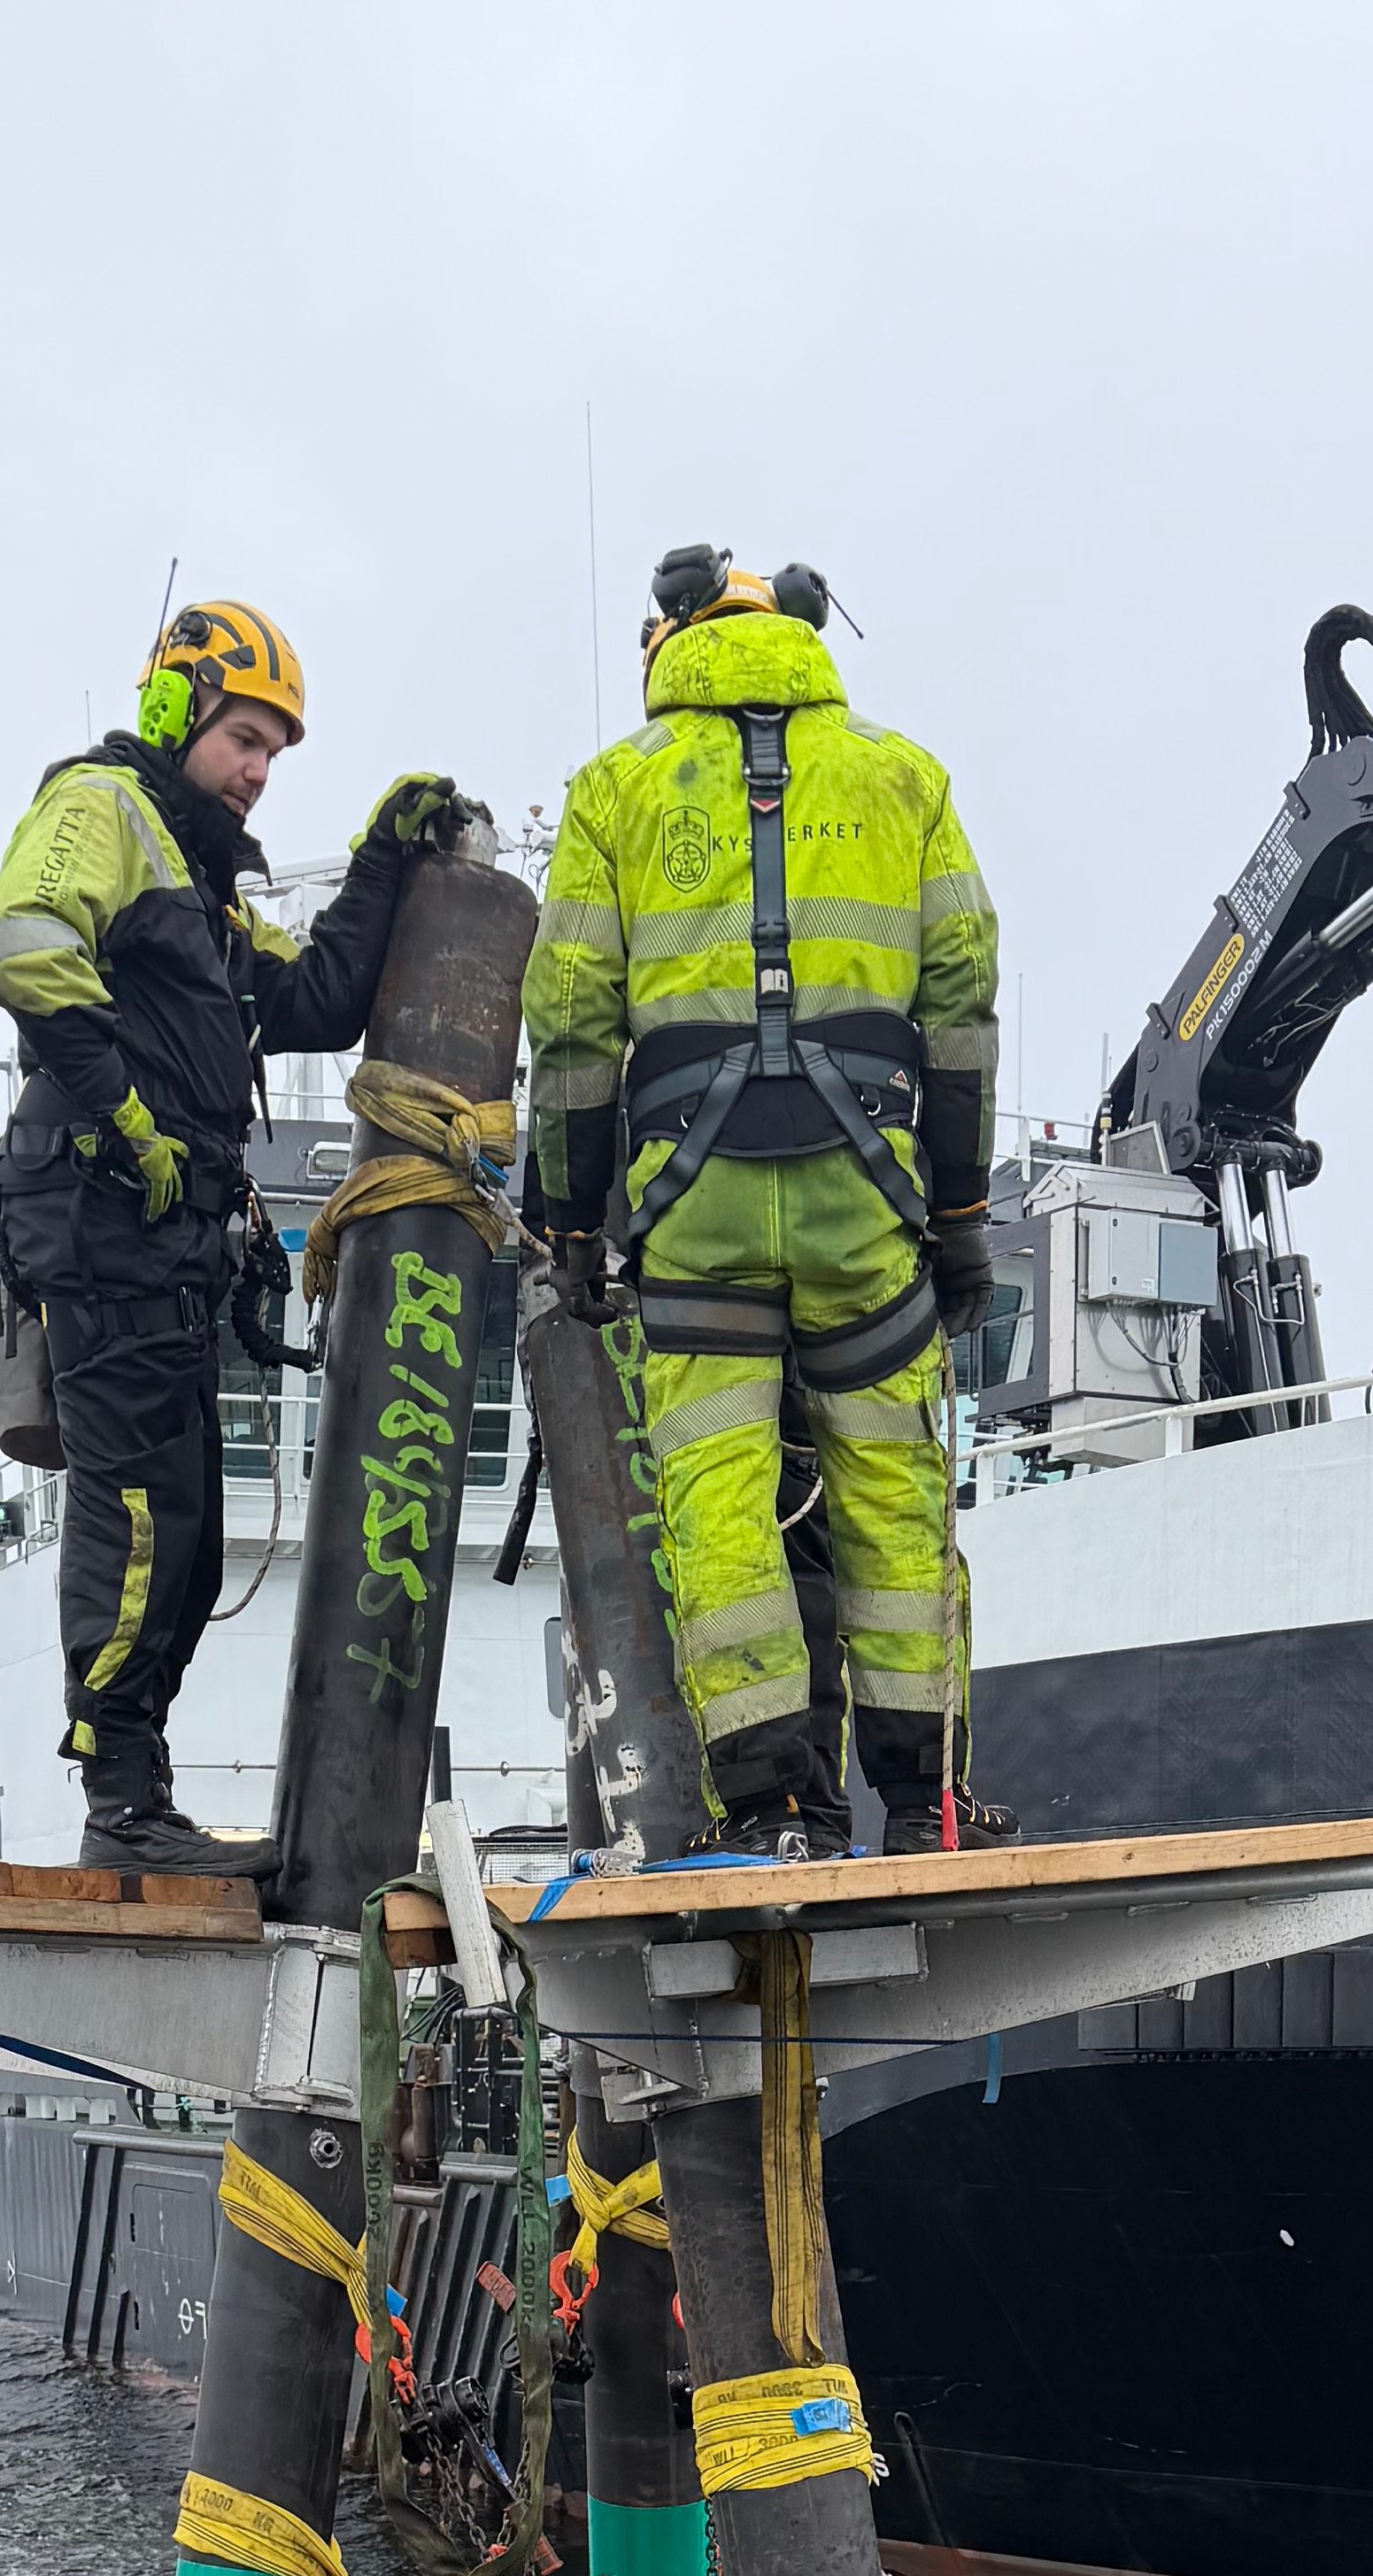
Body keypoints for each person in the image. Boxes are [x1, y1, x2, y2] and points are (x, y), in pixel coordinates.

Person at [522, 546, 1007, 1857]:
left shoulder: (617, 788)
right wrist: (960, 1219)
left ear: (671, 643)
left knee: (722, 1501)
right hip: (866, 1198)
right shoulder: (903, 776)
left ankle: (774, 1804)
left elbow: (568, 1023)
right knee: (892, 1493)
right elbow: (962, 1003)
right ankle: (927, 1805)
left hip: (697, 1210)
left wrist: (572, 1229)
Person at [0, 598, 469, 1872]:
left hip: (164, 1236)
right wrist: (126, 1114)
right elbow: (18, 945)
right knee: (144, 1518)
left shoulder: (199, 883)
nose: (258, 773)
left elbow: (315, 999)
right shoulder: (104, 807)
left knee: (187, 1539)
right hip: (105, 1216)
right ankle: (122, 1814)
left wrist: (379, 861)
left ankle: (140, 1799)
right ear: (173, 710)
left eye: (275, 754)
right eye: (245, 739)